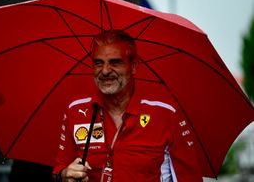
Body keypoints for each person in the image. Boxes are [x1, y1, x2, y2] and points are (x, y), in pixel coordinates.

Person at [52, 29, 203, 181]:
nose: (105, 71)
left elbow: (189, 178)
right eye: (98, 63)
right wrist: (63, 176)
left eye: (115, 62)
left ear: (134, 66)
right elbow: (59, 169)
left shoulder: (166, 114)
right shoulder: (75, 111)